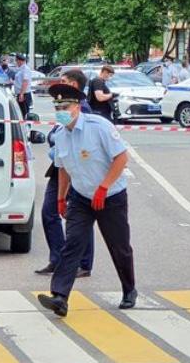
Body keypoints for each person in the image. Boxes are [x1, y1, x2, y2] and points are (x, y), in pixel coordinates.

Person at [37, 83, 137, 317]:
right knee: (73, 244)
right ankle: (60, 297)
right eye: (57, 106)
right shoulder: (60, 135)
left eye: (66, 105)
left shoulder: (99, 126)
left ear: (78, 106)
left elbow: (122, 158)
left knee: (119, 246)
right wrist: (61, 198)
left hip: (110, 196)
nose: (61, 110)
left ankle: (129, 289)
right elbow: (62, 169)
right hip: (81, 198)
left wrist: (104, 187)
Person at [35, 71, 95, 278]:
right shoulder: (65, 107)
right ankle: (58, 258)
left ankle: (84, 264)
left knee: (81, 217)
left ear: (75, 84)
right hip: (59, 168)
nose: (61, 86)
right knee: (49, 212)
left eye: (65, 82)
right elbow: (58, 133)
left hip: (77, 170)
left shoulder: (83, 108)